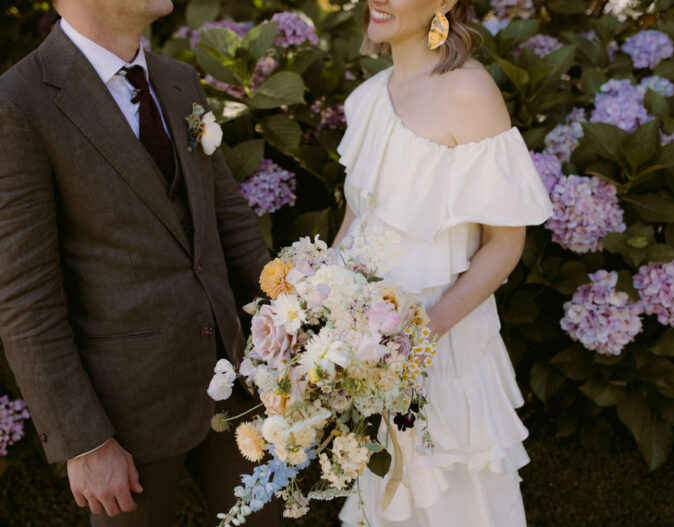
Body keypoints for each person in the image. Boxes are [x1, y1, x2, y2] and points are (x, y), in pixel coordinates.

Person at [0, 1, 277, 525]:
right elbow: (25, 299)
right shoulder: (20, 102)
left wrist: (299, 327)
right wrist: (85, 441)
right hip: (126, 417)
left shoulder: (178, 81)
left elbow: (232, 224)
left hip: (236, 387)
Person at [331, 1, 554, 526]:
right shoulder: (366, 98)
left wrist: (421, 335)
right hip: (370, 358)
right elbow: (356, 218)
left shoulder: (468, 92)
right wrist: (316, 311)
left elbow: (504, 243)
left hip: (443, 355)